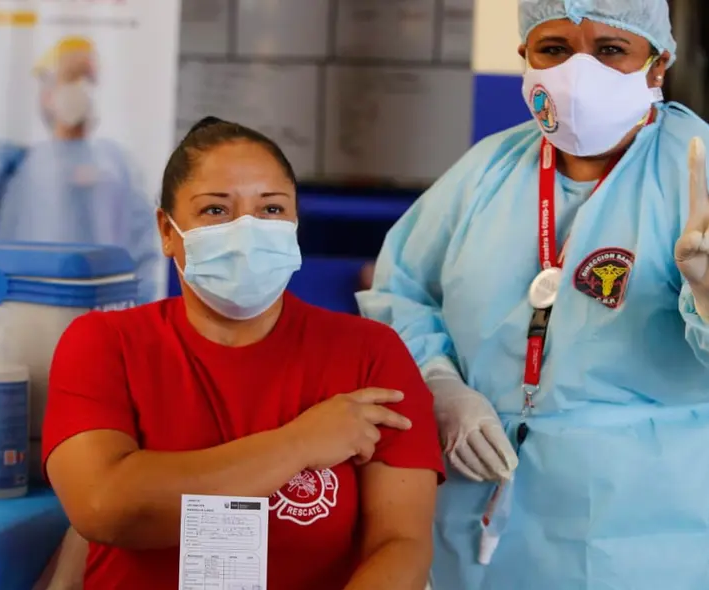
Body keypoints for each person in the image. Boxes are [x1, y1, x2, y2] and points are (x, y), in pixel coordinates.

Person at [357, 1, 709, 589]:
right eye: (554, 50)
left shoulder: (696, 173)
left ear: (657, 65)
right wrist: (440, 387)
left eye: (609, 50)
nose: (578, 71)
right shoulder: (488, 171)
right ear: (524, 57)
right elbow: (401, 291)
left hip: (651, 520)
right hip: (484, 505)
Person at [40, 117, 445, 590]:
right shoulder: (106, 344)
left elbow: (401, 544)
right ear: (167, 231)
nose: (246, 232)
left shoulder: (369, 354)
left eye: (271, 210)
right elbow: (103, 507)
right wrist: (300, 444)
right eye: (215, 211)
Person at [0, 36, 163, 301]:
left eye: (88, 79)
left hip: (101, 317)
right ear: (46, 92)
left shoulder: (117, 166)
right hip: (21, 313)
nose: (81, 89)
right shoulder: (8, 165)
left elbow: (143, 256)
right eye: (71, 78)